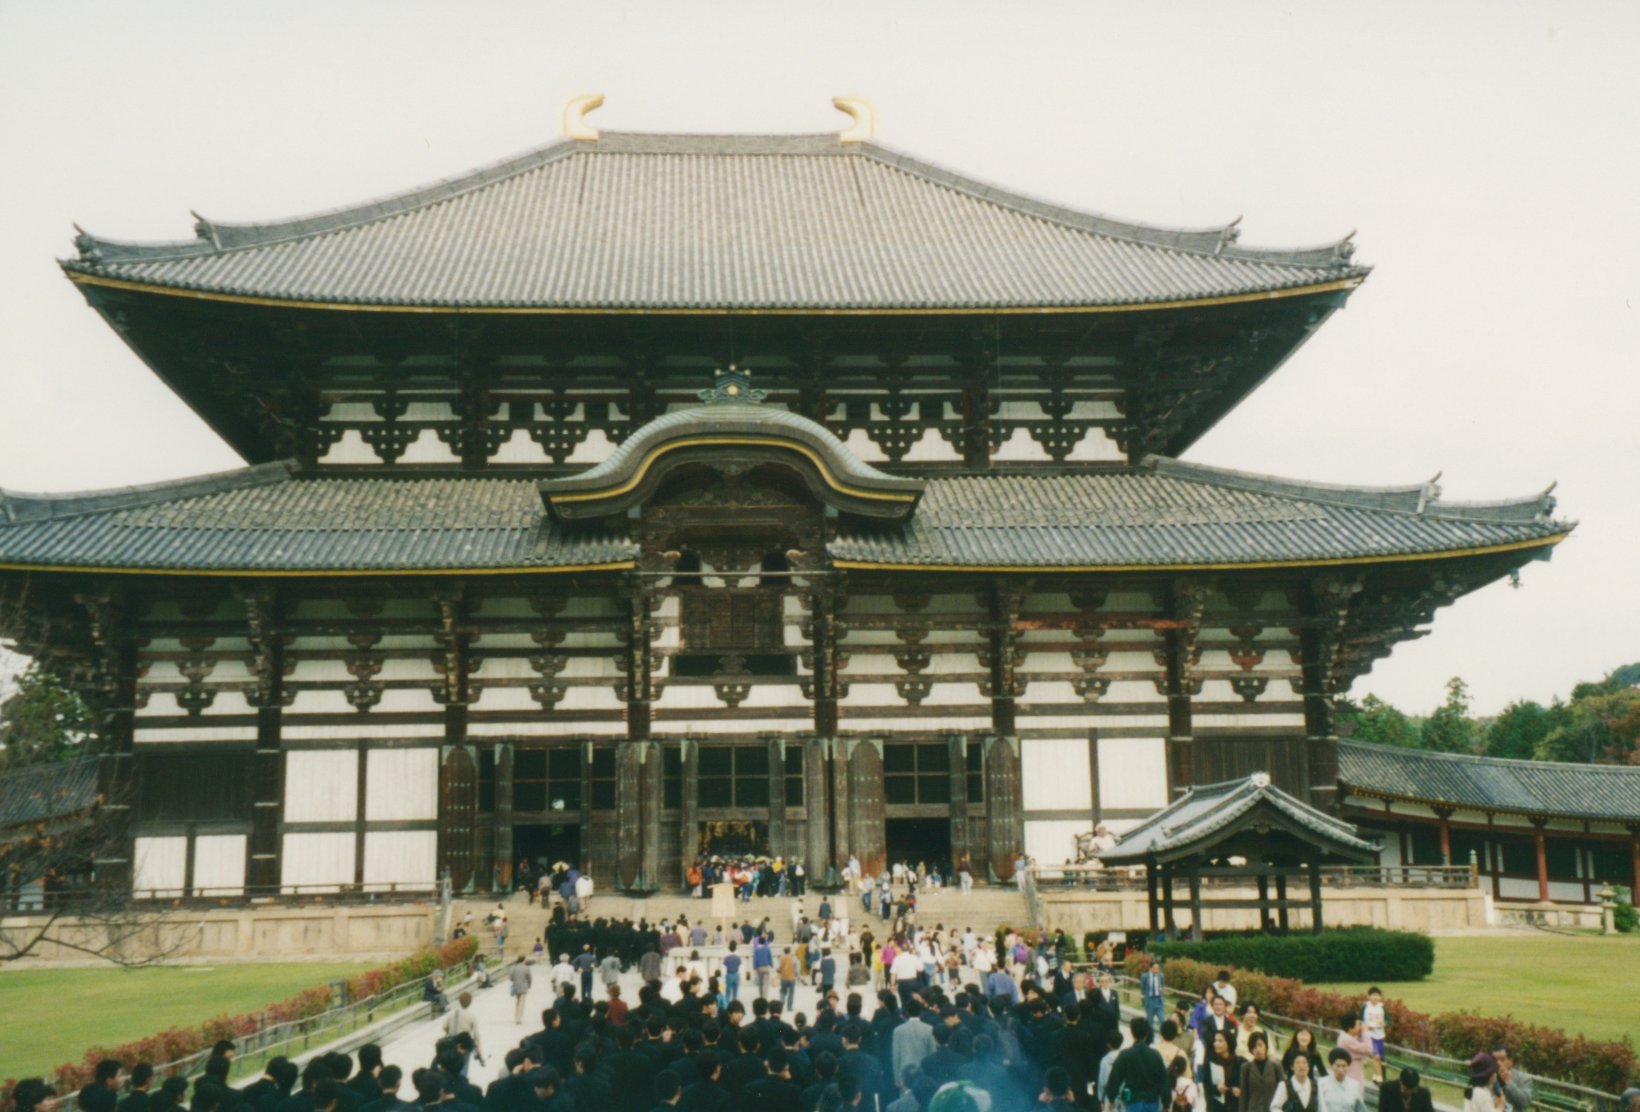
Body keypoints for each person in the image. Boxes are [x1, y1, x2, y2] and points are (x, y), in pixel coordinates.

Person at [1106, 1017, 1171, 1112]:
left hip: (1133, 1100)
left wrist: (1111, 1098)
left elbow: (1115, 1078)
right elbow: (1164, 1080)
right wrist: (1166, 1103)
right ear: (1147, 1033)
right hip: (1152, 1101)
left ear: (1132, 1033)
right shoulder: (1155, 1055)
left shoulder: (1126, 1054)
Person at [1240, 1034, 1285, 1112]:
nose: (1258, 1049)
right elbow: (1243, 1095)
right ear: (1251, 1049)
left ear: (1266, 1046)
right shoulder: (1246, 1068)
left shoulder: (1276, 1066)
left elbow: (1283, 1091)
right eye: (1254, 1047)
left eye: (1260, 1045)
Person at [443, 991, 483, 1074]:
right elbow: (476, 1035)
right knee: (464, 1067)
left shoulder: (452, 1014)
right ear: (470, 1002)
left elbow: (444, 1027)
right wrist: (478, 1050)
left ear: (459, 1001)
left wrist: (449, 1032)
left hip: (452, 1043)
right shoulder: (471, 1016)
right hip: (464, 1045)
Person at [1202, 1030, 1241, 1112]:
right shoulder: (1211, 1062)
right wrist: (1217, 1089)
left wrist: (1239, 1090)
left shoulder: (1239, 1062)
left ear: (1229, 1042)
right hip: (1216, 1106)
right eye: (1215, 1041)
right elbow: (1206, 1087)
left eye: (1220, 1041)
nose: (1216, 1044)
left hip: (1235, 1106)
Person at [1334, 1013, 1377, 1085]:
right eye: (1357, 1025)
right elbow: (1369, 1048)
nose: (1360, 1027)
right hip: (1351, 1077)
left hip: (1352, 1074)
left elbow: (1361, 1044)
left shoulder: (1346, 1035)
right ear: (1350, 1028)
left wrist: (1361, 1029)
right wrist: (1365, 1031)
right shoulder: (1347, 1040)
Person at [1492, 1046, 1533, 1112]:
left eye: (1502, 1060)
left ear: (1511, 1061)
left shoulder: (1523, 1078)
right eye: (1494, 1060)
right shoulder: (1488, 1077)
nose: (1498, 1063)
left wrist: (1509, 1082)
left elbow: (1525, 1103)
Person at [1361, 989, 1388, 1079]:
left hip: (1380, 1035)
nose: (1375, 997)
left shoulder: (1382, 1007)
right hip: (1369, 1035)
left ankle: (1375, 1076)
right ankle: (1380, 1078)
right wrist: (1365, 1027)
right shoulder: (1365, 1007)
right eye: (1373, 995)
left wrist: (1384, 1023)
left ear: (1380, 997)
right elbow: (1359, 1019)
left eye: (1377, 995)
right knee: (1376, 1057)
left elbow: (1389, 1019)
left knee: (1380, 1059)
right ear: (1369, 996)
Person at [1140, 959, 1167, 1034]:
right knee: (1150, 1022)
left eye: (1158, 968)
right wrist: (1144, 1001)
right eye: (1155, 968)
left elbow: (1162, 985)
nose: (1157, 970)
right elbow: (1142, 988)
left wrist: (1161, 989)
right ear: (1151, 968)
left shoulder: (1161, 976)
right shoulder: (1145, 976)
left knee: (1162, 1020)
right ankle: (1150, 1038)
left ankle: (1164, 1037)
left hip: (1158, 1000)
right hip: (1150, 1001)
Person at [508, 954, 533, 1023]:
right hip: (524, 986)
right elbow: (529, 978)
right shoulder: (526, 967)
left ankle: (516, 1017)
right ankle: (519, 1018)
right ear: (524, 959)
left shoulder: (513, 967)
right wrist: (529, 985)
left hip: (516, 986)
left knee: (517, 1002)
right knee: (522, 1003)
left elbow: (510, 978)